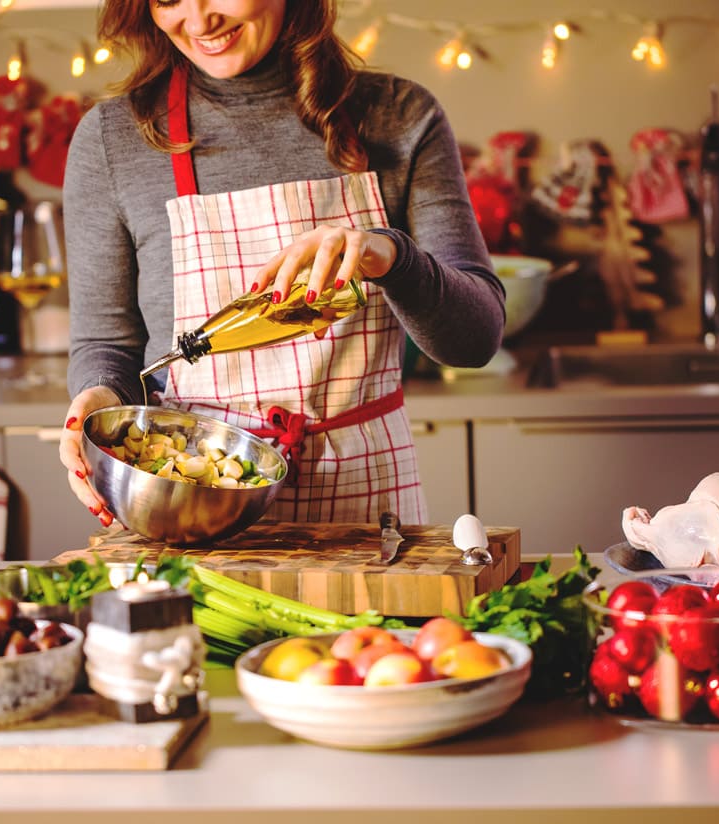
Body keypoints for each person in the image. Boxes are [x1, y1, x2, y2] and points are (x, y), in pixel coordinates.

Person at [59, 0, 505, 528]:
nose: (200, 22)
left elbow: (475, 340)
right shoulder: (114, 138)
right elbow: (108, 345)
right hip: (190, 502)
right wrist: (98, 399)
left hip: (366, 511)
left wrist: (388, 255)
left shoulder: (400, 116)